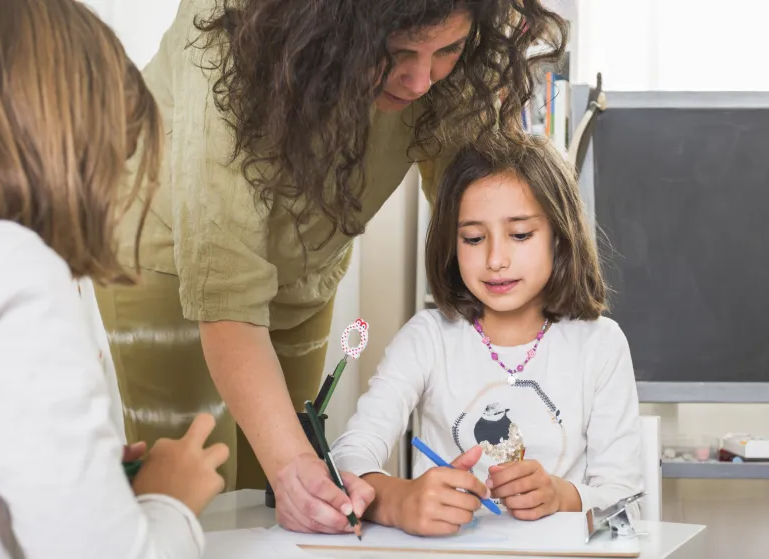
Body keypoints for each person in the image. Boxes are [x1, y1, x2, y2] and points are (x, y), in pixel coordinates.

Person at [93, 0, 569, 535]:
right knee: (195, 498)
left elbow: (481, 208)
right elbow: (225, 287)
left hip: (303, 264)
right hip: (161, 254)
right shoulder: (226, 34)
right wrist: (298, 469)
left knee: (277, 500)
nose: (420, 81)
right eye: (396, 54)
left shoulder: (460, 44)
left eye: (447, 51)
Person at [0, 0, 228, 557]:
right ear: (58, 141)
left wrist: (83, 484)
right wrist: (169, 501)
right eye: (109, 156)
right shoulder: (14, 269)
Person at [330, 137, 643, 536]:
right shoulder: (428, 338)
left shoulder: (601, 345)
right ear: (452, 244)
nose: (496, 259)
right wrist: (398, 501)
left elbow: (624, 499)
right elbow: (349, 454)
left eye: (520, 234)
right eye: (474, 239)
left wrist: (561, 496)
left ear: (559, 237)